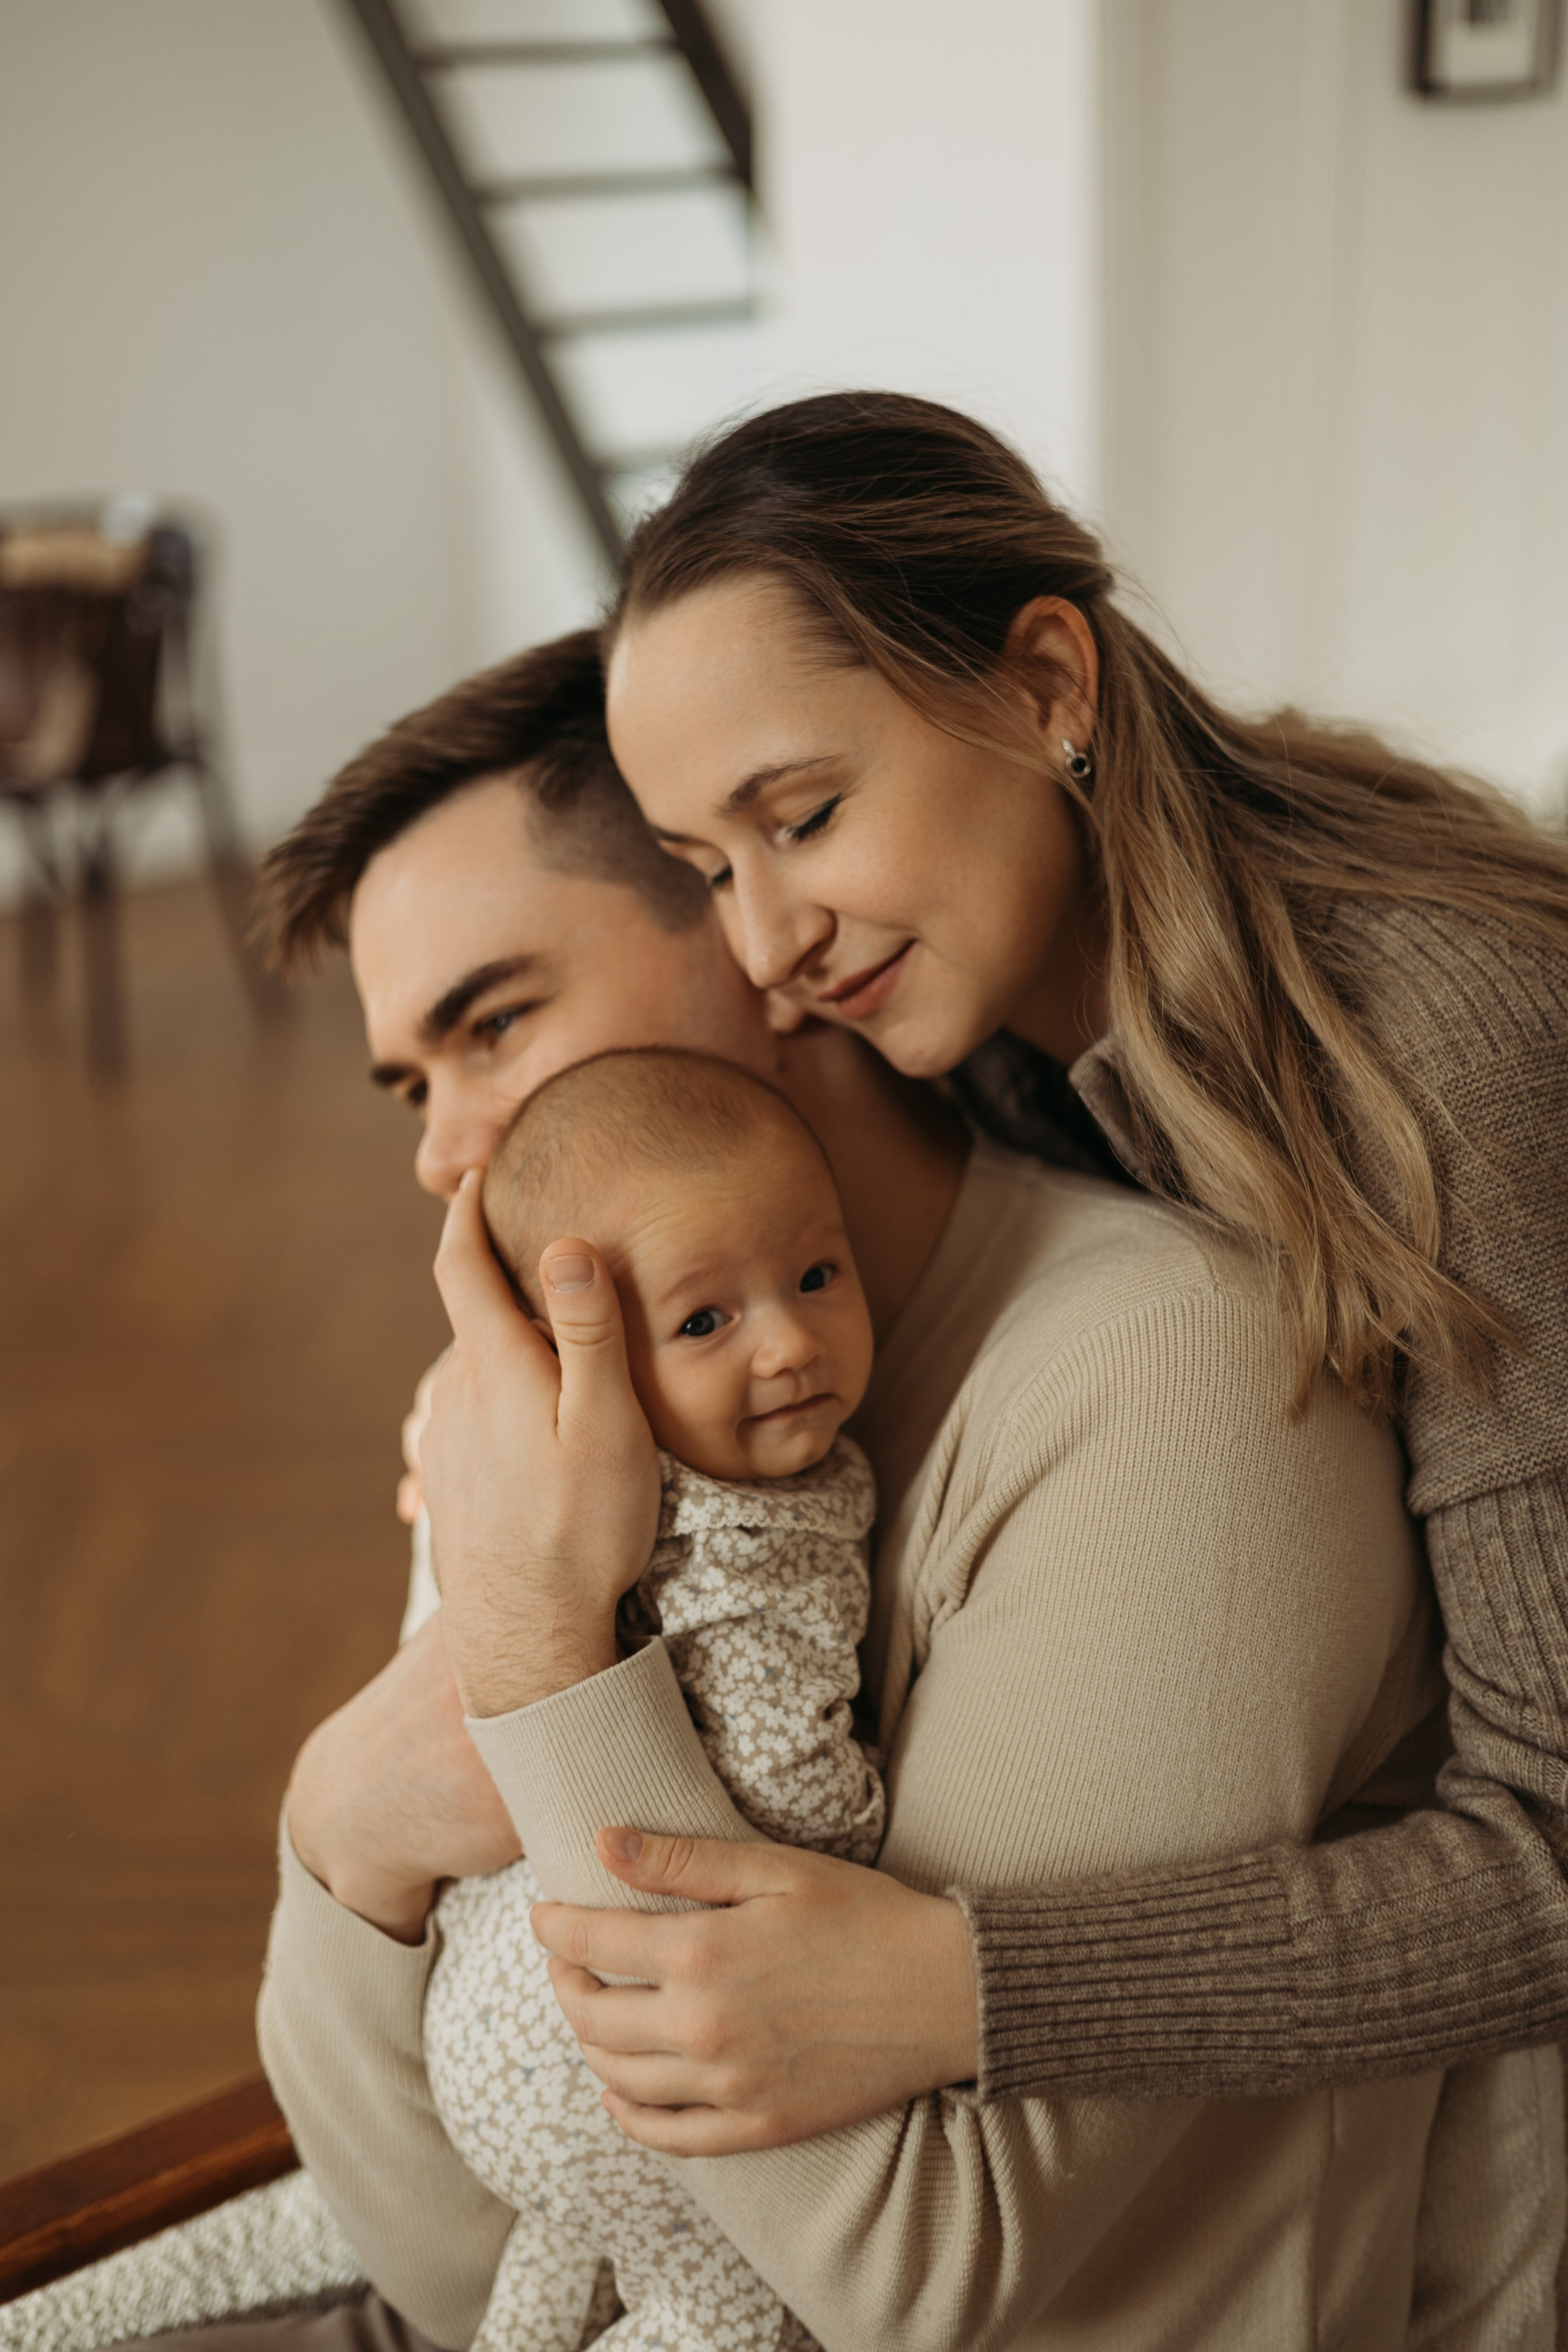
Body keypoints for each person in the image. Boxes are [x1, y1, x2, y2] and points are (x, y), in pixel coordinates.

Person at [251, 627, 1562, 2348]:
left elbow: (919, 2271)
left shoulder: (1169, 1377)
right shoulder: (558, 1410)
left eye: (494, 1023)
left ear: (762, 936)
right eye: (414, 1085)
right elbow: (456, 2261)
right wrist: (340, 1826)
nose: (442, 1150)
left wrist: (542, 1664)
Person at [426, 1048, 880, 2352]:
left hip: (492, 2005)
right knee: (719, 2310)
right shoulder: (758, 1529)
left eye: (815, 1275)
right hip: (608, 2056)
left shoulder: (540, 1472)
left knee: (560, 2264)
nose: (790, 1343)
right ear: (593, 1355)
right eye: (703, 1322)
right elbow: (792, 1792)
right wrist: (872, 1840)